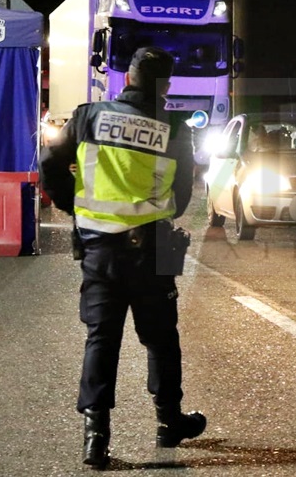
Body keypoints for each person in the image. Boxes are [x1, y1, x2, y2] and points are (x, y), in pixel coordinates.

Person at [40, 46, 206, 469]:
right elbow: (184, 193)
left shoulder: (88, 116)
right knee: (161, 339)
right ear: (165, 86)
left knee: (102, 338)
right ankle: (169, 422)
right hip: (151, 249)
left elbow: (50, 164)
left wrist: (75, 207)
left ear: (127, 77)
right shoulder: (175, 128)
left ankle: (96, 437)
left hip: (99, 250)